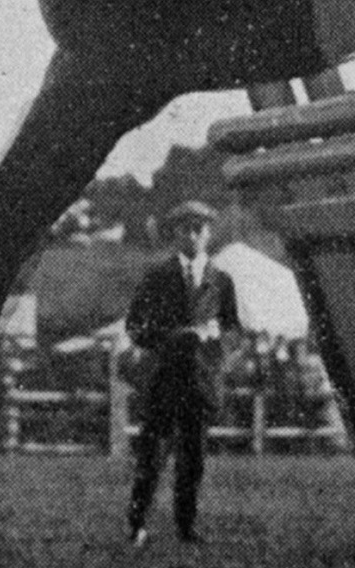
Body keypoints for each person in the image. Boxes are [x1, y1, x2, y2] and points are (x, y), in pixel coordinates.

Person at [124, 199, 240, 548]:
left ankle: (186, 528)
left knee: (193, 461)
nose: (191, 236)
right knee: (152, 457)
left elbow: (235, 330)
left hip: (201, 381)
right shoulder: (158, 276)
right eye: (184, 229)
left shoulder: (221, 280)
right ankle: (137, 526)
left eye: (198, 229)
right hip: (164, 379)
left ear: (208, 233)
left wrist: (218, 338)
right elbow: (135, 327)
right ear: (175, 233)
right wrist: (173, 336)